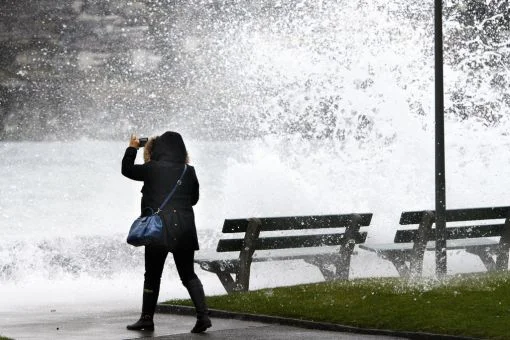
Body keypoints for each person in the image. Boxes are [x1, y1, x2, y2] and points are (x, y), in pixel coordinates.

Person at [121, 131, 212, 333]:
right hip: (185, 228)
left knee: (152, 275)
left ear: (159, 149)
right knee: (188, 274)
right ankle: (203, 316)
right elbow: (194, 200)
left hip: (158, 229)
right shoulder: (189, 171)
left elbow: (126, 170)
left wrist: (132, 148)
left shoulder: (152, 169)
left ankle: (146, 319)